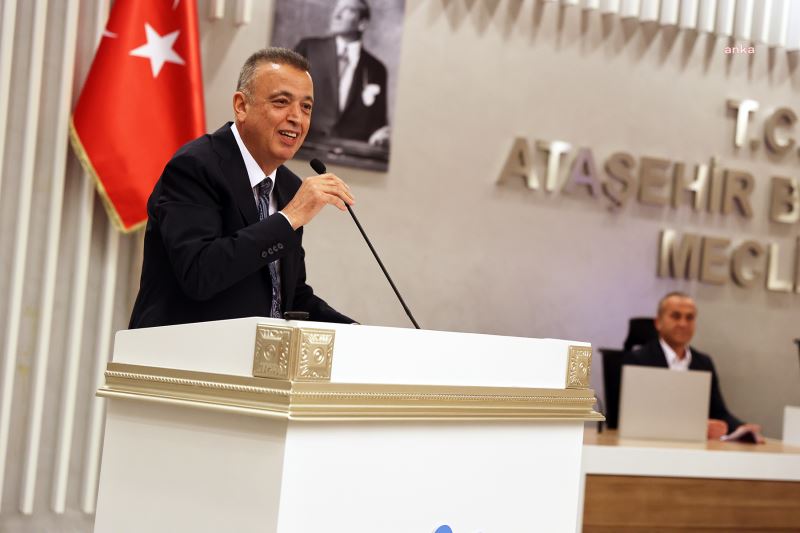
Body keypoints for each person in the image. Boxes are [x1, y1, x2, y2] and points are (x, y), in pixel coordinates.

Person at [129, 48, 356, 329]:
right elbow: (200, 274)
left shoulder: (288, 186)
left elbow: (288, 296)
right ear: (241, 106)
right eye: (282, 102)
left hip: (253, 354)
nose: (297, 118)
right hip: (181, 350)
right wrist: (288, 218)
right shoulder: (195, 166)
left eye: (306, 107)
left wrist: (356, 333)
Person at [627, 292, 765, 443]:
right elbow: (635, 415)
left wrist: (742, 428)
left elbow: (719, 412)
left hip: (695, 448)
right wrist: (698, 426)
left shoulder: (703, 363)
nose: (683, 324)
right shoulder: (638, 359)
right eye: (676, 316)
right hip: (649, 445)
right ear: (658, 322)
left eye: (690, 318)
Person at [294, 0, 390, 146]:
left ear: (362, 23)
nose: (336, 14)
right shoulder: (308, 49)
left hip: (351, 152)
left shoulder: (376, 69)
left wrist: (380, 134)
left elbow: (378, 124)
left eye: (347, 9)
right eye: (337, 8)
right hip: (305, 145)